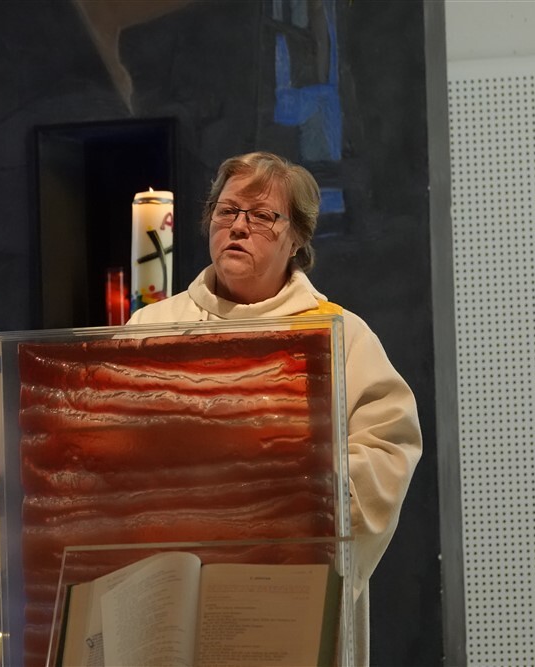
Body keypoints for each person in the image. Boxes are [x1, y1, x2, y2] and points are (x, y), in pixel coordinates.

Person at [127, 151, 421, 665]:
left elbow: (386, 450)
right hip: (174, 589)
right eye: (227, 211)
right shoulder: (151, 329)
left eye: (262, 216)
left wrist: (291, 493)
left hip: (288, 589)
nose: (239, 226)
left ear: (298, 236)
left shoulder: (337, 334)